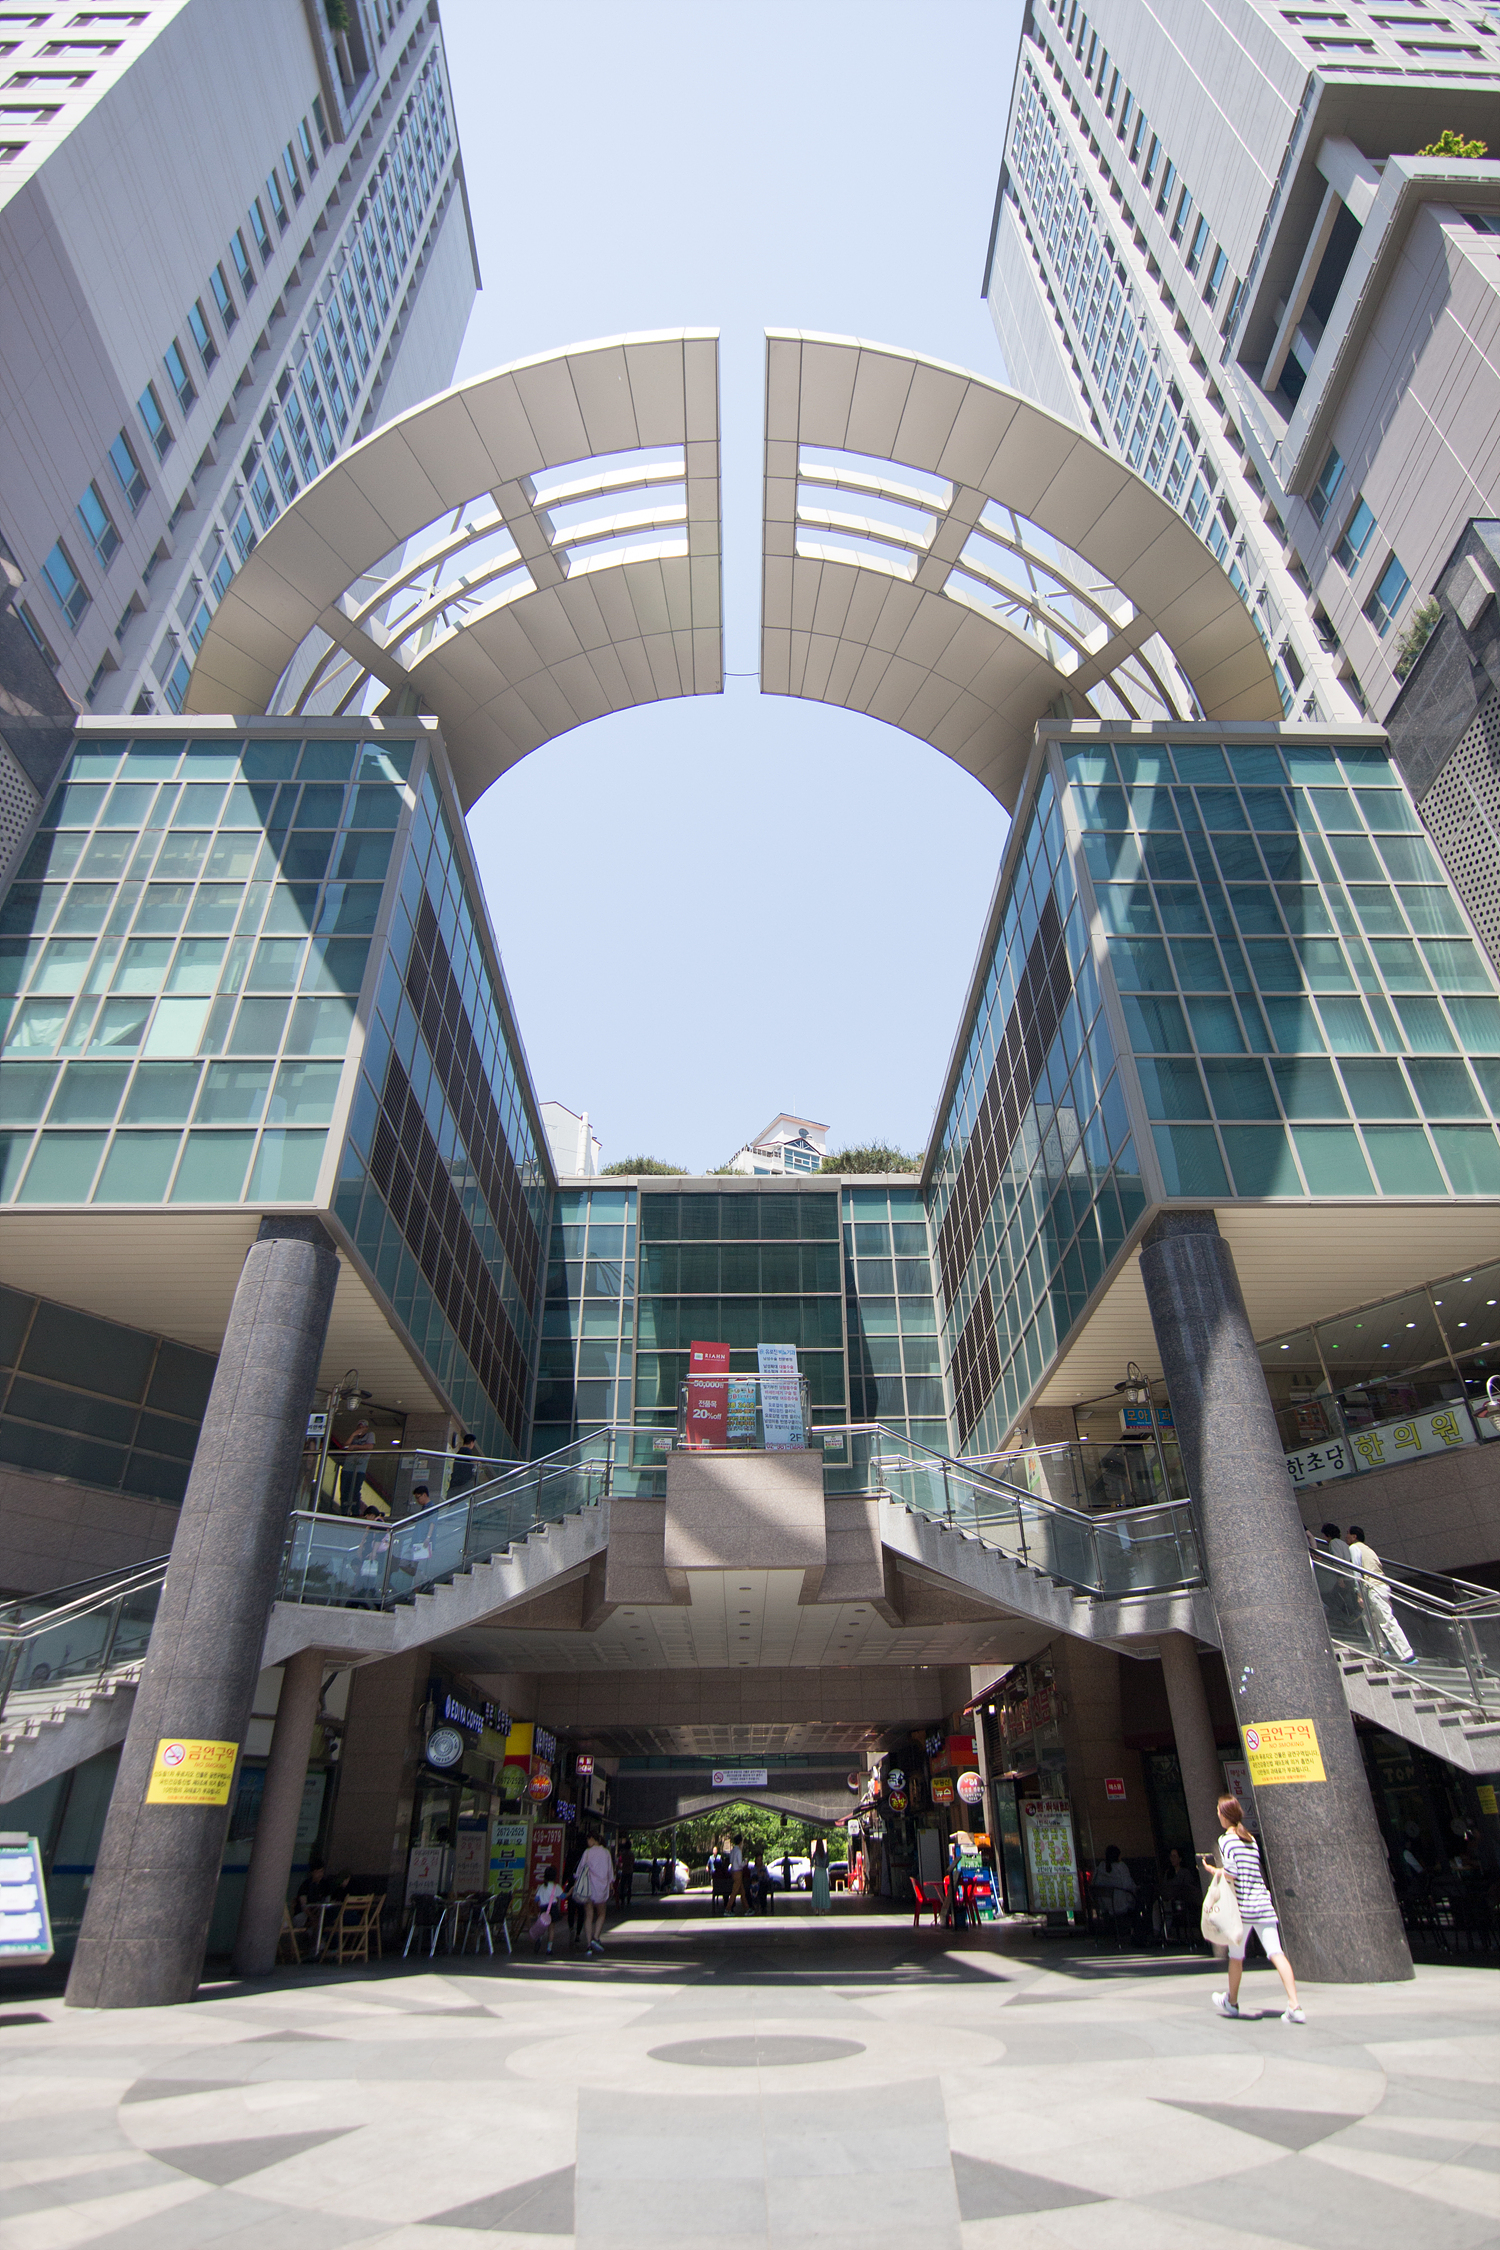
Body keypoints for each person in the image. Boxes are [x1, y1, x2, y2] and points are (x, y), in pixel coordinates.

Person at [1202, 1795, 1304, 2022]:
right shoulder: (1250, 1839)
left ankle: (1232, 2002)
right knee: (1276, 1953)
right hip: (1263, 1905)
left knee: (1236, 1957)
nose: (1217, 1814)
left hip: (1242, 1908)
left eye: (1218, 1810)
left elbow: (1232, 1873)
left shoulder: (1226, 1840)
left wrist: (1216, 1872)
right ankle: (1295, 2005)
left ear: (1225, 1814)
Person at [1347, 1526, 1416, 1663]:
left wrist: (1358, 1592)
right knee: (1368, 1617)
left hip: (1372, 1587)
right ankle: (1381, 1647)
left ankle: (1407, 1654)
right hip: (1380, 1586)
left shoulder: (1354, 1547)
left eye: (1348, 1534)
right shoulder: (1369, 1549)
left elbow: (1356, 1570)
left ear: (1354, 1536)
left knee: (1386, 1621)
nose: (1346, 1536)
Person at [574, 1829, 615, 1956]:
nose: (587, 1842)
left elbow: (580, 1870)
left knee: (588, 1916)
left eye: (588, 1839)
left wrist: (576, 1883)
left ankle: (588, 1944)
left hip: (588, 1888)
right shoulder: (606, 1852)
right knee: (601, 1913)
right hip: (601, 1888)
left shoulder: (587, 1852)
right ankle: (596, 1937)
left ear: (592, 1839)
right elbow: (610, 1871)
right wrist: (611, 1885)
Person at [337, 1418, 375, 1516]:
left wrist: (354, 1447)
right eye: (359, 1427)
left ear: (366, 1428)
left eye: (363, 1427)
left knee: (355, 1490)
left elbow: (369, 1447)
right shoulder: (354, 1437)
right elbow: (345, 1447)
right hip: (348, 1467)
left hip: (360, 1468)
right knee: (344, 1489)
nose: (361, 1429)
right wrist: (353, 1434)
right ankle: (344, 1511)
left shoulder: (370, 1435)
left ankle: (355, 1512)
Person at [529, 1863, 564, 1956]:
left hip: (543, 1909)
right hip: (553, 1908)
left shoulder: (542, 1887)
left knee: (542, 1926)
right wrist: (571, 1891)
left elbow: (536, 1899)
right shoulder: (556, 1887)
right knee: (551, 1928)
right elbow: (563, 1896)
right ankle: (549, 1949)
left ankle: (539, 1938)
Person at [447, 1432, 481, 1499]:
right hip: (462, 1485)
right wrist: (476, 1463)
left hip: (455, 1484)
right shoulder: (466, 1451)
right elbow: (470, 1460)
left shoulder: (459, 1452)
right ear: (471, 1443)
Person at [810, 1836, 831, 1915]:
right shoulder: (825, 1854)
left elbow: (812, 1863)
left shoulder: (815, 1854)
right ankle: (823, 1910)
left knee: (817, 1891)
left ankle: (816, 1910)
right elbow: (827, 1864)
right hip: (823, 1873)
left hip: (817, 1872)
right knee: (823, 1891)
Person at [728, 1834, 746, 1914]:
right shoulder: (738, 1851)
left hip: (733, 1871)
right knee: (735, 1891)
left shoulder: (732, 1851)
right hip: (738, 1871)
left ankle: (746, 1907)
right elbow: (740, 1864)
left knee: (742, 1891)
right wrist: (745, 1862)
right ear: (740, 1842)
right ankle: (728, 1908)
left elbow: (731, 1861)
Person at [616, 1836, 635, 1915]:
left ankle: (622, 1899)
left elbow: (620, 1862)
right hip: (630, 1871)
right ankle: (628, 1899)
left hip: (624, 1871)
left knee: (623, 1885)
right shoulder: (631, 1854)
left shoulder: (623, 1854)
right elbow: (633, 1862)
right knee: (629, 1886)